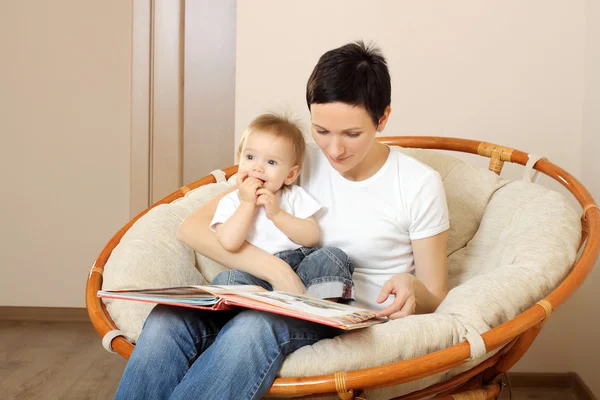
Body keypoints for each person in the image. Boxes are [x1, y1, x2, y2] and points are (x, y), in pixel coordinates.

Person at [114, 40, 449, 400]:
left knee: (252, 330)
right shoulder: (294, 162)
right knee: (169, 319)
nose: (334, 150)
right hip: (273, 293)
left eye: (352, 134)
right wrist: (277, 270)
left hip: (338, 311)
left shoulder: (417, 184)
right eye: (322, 131)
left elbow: (436, 293)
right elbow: (191, 228)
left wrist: (414, 290)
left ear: (382, 118)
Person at [209, 113, 354, 302]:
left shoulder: (293, 196)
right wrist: (247, 203)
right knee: (226, 280)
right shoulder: (232, 201)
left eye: (271, 162)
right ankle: (267, 310)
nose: (258, 168)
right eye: (250, 157)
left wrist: (277, 215)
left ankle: (321, 310)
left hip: (301, 268)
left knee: (333, 256)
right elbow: (229, 242)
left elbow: (311, 237)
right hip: (257, 277)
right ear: (239, 160)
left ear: (290, 174)